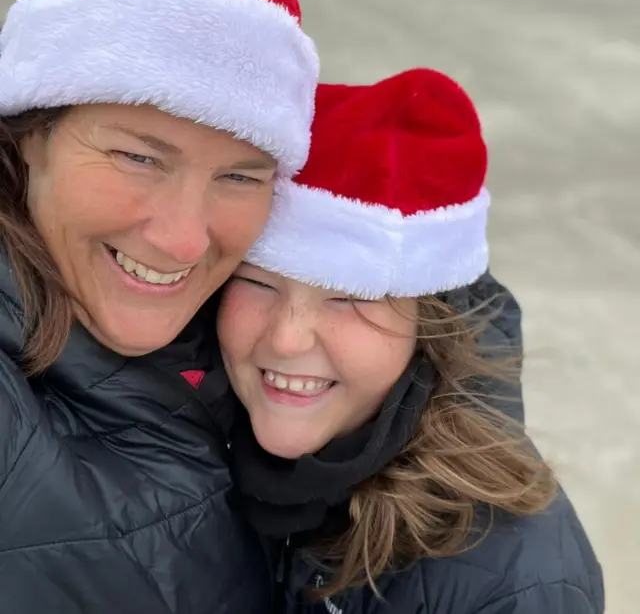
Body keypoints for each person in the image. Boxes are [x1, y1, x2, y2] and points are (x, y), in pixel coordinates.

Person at [0, 0, 319, 613]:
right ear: (27, 140)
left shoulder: (253, 330)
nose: (182, 238)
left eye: (241, 176)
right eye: (138, 157)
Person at [217, 69, 605, 613]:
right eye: (256, 282)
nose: (284, 338)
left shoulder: (512, 583)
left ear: (429, 327)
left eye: (349, 297)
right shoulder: (180, 435)